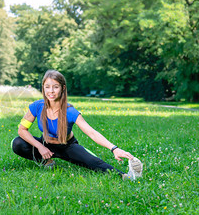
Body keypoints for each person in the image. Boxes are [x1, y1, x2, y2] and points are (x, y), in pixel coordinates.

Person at [11, 70, 143, 180]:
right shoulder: (37, 106)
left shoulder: (70, 111)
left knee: (93, 163)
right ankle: (47, 161)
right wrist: (40, 147)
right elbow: (22, 130)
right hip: (46, 145)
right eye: (47, 87)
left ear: (62, 88)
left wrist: (114, 148)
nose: (51, 91)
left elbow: (91, 132)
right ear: (43, 88)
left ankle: (127, 177)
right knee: (17, 143)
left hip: (67, 146)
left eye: (55, 87)